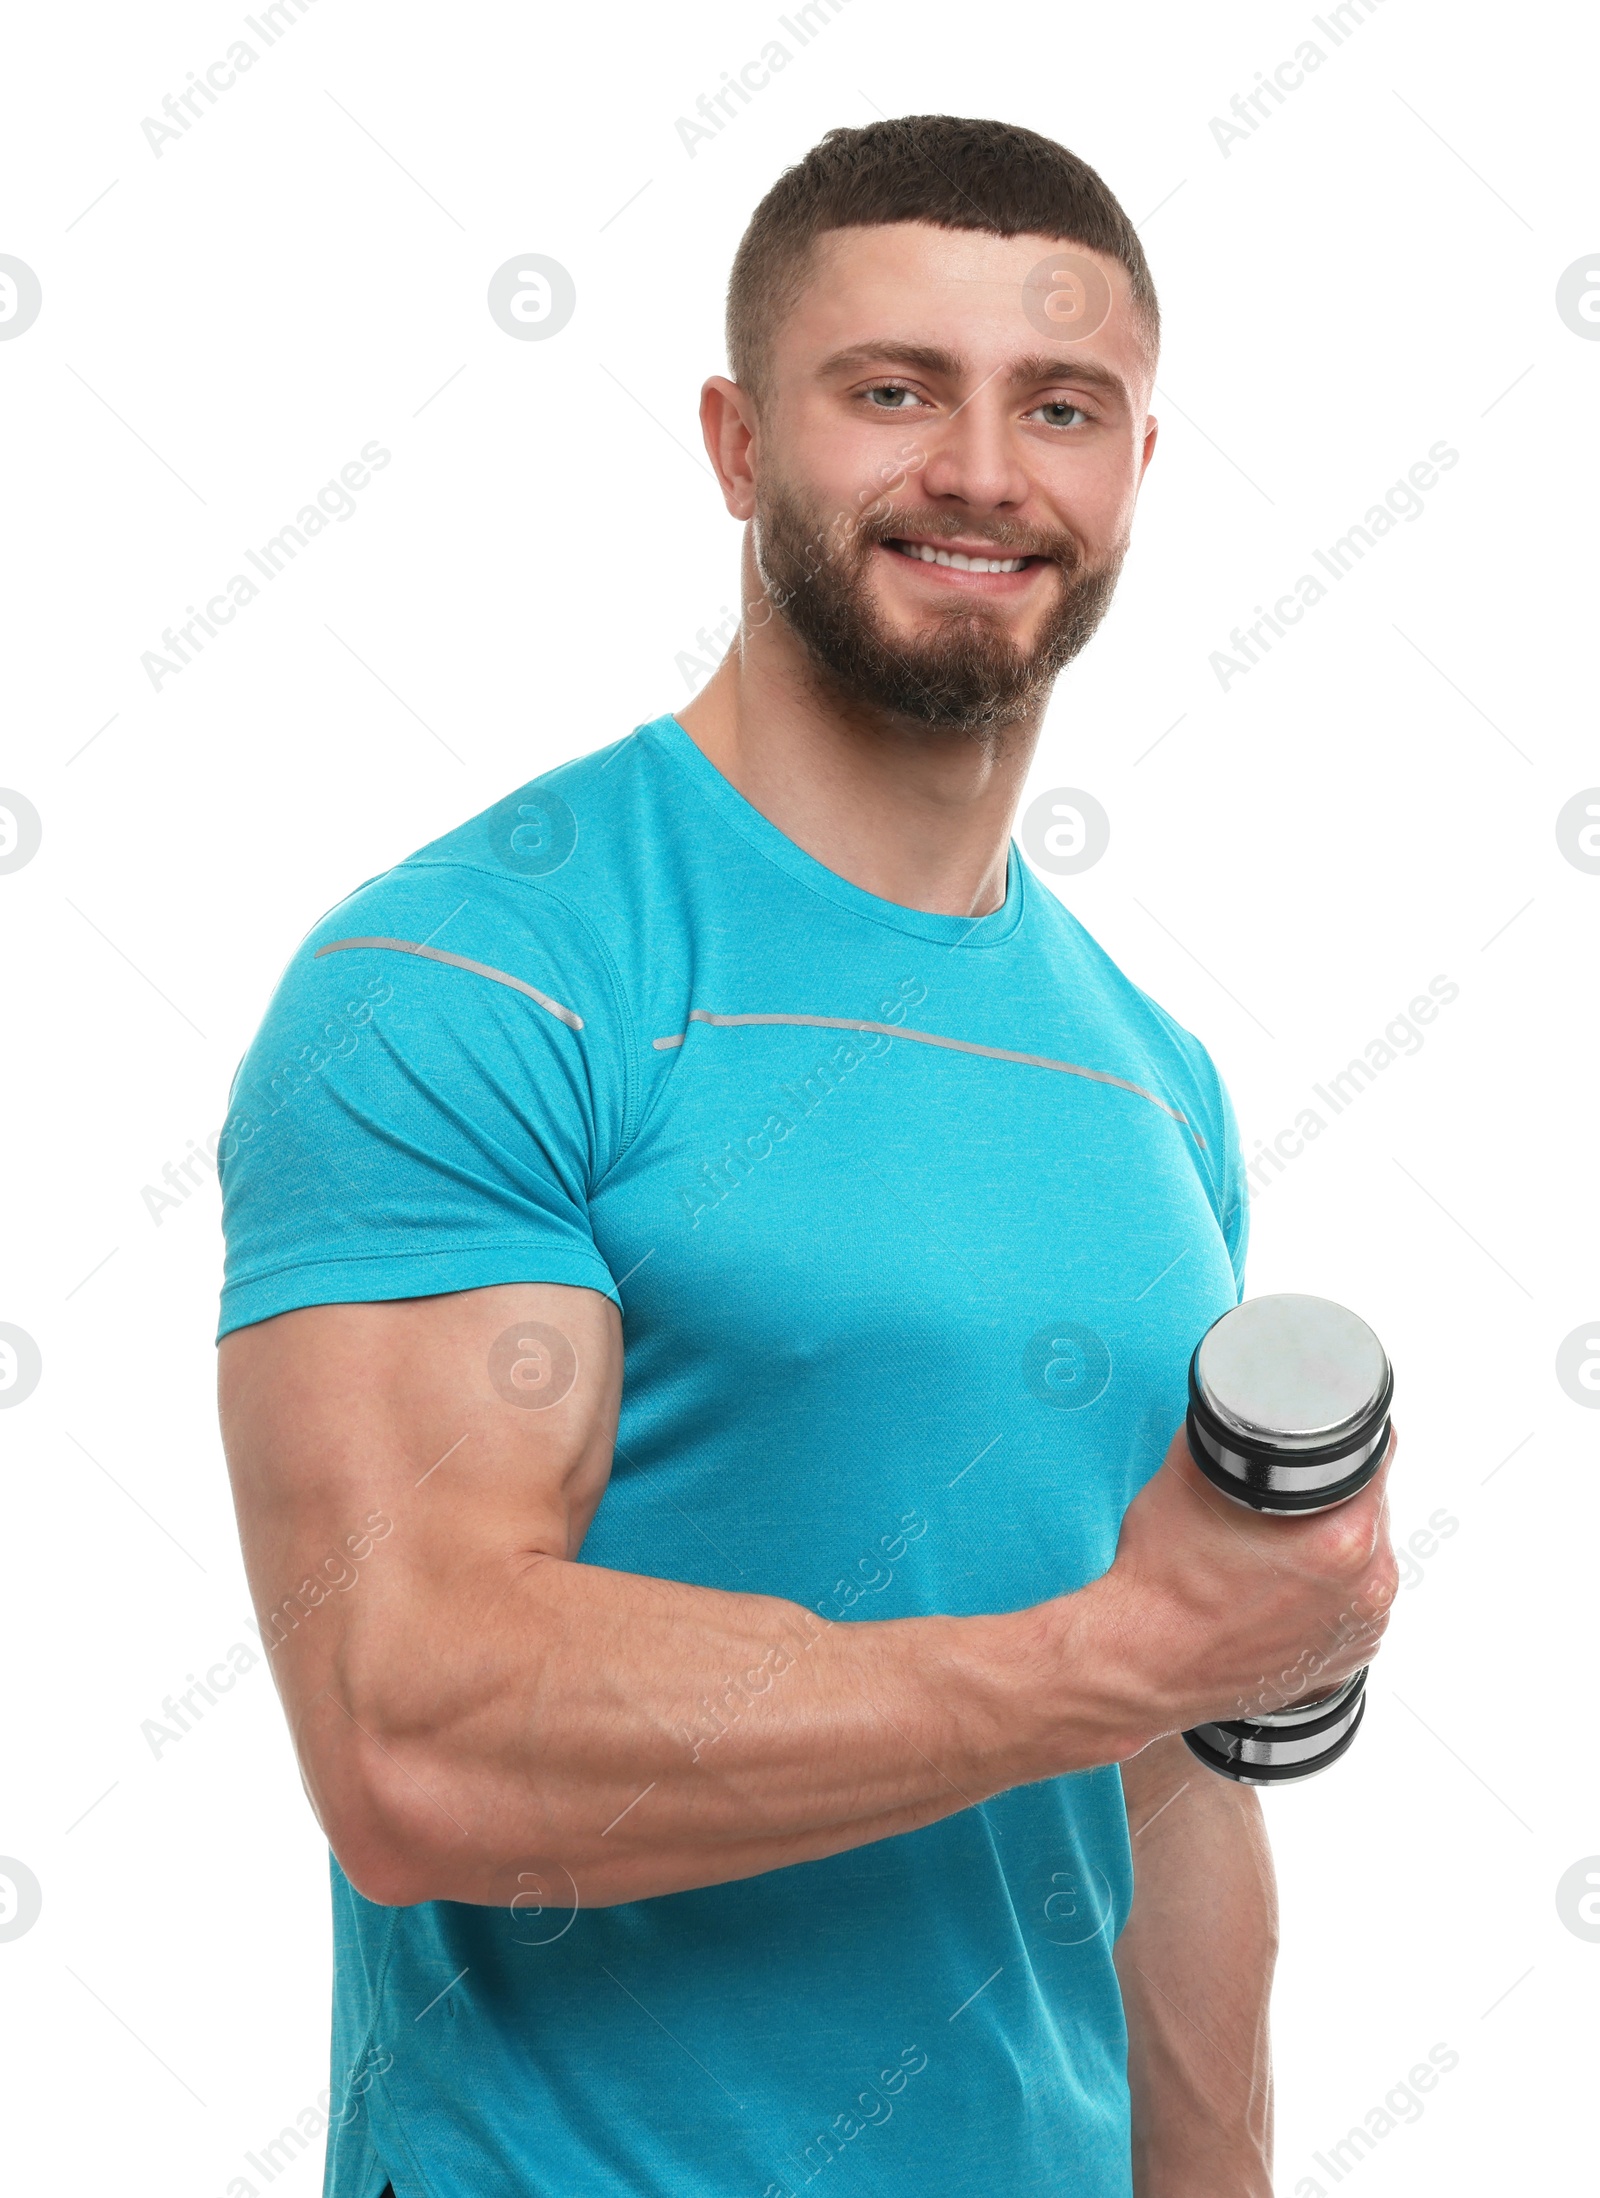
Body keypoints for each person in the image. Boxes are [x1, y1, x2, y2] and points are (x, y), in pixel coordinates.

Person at [217, 114, 1398, 2198]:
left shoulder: (1150, 1083)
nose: (978, 470)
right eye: (890, 391)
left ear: (1133, 470)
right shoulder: (481, 976)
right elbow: (414, 1731)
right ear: (738, 444)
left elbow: (1166, 1803)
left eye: (1057, 406)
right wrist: (1128, 1652)